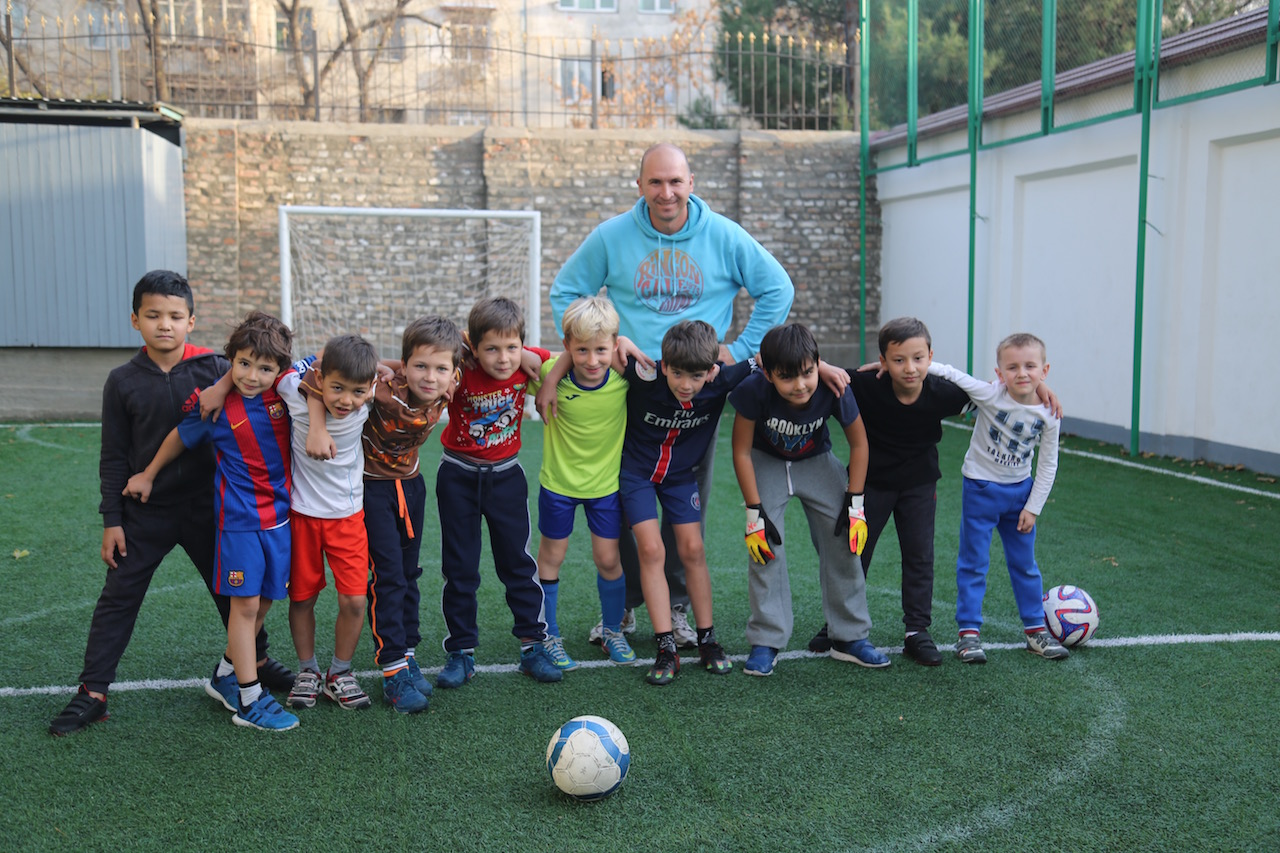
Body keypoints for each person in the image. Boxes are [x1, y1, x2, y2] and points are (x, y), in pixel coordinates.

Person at [548, 142, 795, 648]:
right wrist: (602, 341)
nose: (666, 192)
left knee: (687, 506)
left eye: (675, 182)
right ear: (639, 185)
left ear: (691, 182)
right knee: (622, 498)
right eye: (655, 182)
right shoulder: (611, 236)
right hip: (631, 388)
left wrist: (740, 349)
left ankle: (679, 610)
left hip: (696, 390)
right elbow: (565, 292)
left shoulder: (724, 235)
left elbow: (778, 288)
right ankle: (626, 608)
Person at [49, 272, 290, 737]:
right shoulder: (121, 381)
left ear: (191, 321)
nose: (165, 325)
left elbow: (270, 368)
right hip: (146, 512)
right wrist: (111, 521)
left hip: (212, 509)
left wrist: (220, 384)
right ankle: (93, 692)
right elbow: (114, 455)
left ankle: (252, 663)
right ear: (135, 319)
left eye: (175, 316)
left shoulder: (219, 369)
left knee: (240, 595)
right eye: (153, 315)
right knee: (118, 597)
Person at [123, 312, 299, 731]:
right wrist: (147, 474)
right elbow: (180, 438)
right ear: (230, 360)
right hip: (238, 523)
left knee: (267, 600)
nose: (251, 375)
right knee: (245, 605)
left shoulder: (289, 392)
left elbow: (326, 361)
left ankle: (225, 674)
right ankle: (249, 699)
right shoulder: (214, 407)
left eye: (264, 367)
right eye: (242, 364)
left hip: (280, 520)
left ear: (280, 370)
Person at [307, 316, 463, 714]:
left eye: (440, 369)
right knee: (389, 577)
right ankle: (392, 670)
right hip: (372, 491)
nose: (430, 377)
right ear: (405, 366)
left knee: (410, 576)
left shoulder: (450, 385)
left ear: (453, 373)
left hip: (411, 486)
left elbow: (497, 351)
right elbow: (315, 369)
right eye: (420, 367)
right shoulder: (382, 389)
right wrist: (381, 365)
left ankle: (408, 656)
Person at [806, 317, 972, 666]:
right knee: (853, 553)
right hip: (869, 485)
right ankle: (839, 624)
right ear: (882, 361)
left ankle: (917, 632)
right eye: (898, 360)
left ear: (930, 357)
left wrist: (1039, 390)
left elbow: (993, 394)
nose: (909, 368)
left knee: (919, 555)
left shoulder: (945, 393)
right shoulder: (865, 385)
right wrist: (823, 365)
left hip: (919, 485)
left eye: (918, 358)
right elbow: (808, 366)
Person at [728, 323, 889, 677]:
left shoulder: (832, 387)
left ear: (818, 363)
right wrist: (754, 512)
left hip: (817, 461)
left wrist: (855, 504)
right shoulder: (754, 389)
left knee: (847, 540)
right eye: (787, 378)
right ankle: (767, 639)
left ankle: (849, 636)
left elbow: (860, 445)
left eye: (807, 373)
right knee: (764, 548)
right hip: (766, 463)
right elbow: (740, 451)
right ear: (769, 375)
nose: (800, 385)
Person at [436, 297, 563, 688]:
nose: (504, 358)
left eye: (512, 347)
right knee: (460, 568)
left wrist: (548, 384)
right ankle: (461, 651)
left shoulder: (528, 361)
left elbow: (567, 356)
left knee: (518, 565)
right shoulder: (459, 366)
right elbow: (430, 350)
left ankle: (532, 646)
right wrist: (460, 344)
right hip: (457, 475)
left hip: (506, 477)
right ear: (473, 348)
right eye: (491, 348)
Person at [620, 319, 755, 685]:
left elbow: (770, 358)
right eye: (677, 373)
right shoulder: (644, 375)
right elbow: (589, 351)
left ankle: (708, 638)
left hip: (681, 477)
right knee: (650, 550)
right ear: (663, 366)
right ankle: (666, 647)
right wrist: (617, 339)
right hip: (637, 475)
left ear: (712, 371)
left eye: (695, 375)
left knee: (693, 549)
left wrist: (821, 365)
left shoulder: (722, 380)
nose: (685, 384)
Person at [928, 333, 1068, 663]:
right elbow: (949, 372)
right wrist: (902, 364)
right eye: (1013, 367)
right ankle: (968, 635)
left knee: (1025, 565)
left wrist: (1033, 508)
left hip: (1020, 496)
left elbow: (1048, 463)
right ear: (999, 372)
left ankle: (1036, 630)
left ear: (1044, 370)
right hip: (980, 490)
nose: (1022, 373)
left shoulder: (1049, 414)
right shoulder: (990, 395)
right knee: (973, 563)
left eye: (1030, 366)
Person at [531, 296, 636, 671]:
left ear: (615, 345)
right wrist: (551, 378)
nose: (592, 361)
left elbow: (657, 367)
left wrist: (627, 347)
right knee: (552, 558)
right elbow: (514, 355)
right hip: (558, 486)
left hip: (604, 488)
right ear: (567, 347)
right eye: (581, 351)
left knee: (609, 559)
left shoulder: (625, 377)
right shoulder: (547, 374)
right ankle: (549, 635)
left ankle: (612, 631)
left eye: (602, 350)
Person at [278, 335, 378, 712]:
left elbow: (388, 375)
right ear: (320, 379)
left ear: (368, 390)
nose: (346, 400)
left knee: (354, 600)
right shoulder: (293, 392)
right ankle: (307, 671)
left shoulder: (368, 400)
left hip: (348, 518)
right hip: (302, 516)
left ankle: (340, 673)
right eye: (336, 388)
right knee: (302, 597)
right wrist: (316, 422)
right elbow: (295, 373)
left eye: (356, 391)